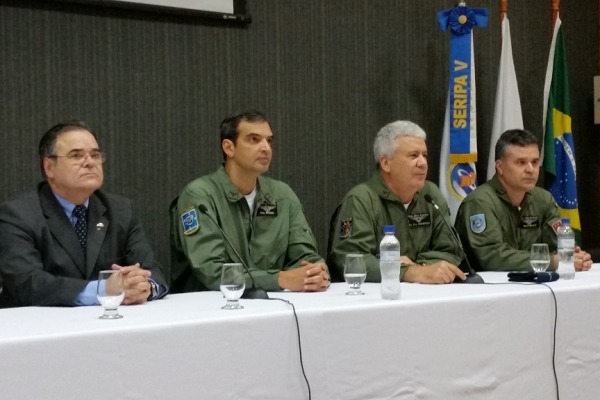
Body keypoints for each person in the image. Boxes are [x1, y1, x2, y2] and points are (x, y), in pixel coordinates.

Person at [0, 121, 168, 308]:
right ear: (49, 167)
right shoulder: (18, 215)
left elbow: (151, 270)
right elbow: (27, 283)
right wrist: (104, 290)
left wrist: (145, 286)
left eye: (95, 155)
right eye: (77, 155)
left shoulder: (121, 210)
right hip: (40, 329)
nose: (90, 162)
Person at [170, 110, 329, 293]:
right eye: (254, 139)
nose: (266, 148)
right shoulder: (200, 196)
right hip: (212, 309)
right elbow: (212, 272)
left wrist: (316, 273)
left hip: (275, 306)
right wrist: (280, 279)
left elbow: (306, 256)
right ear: (229, 147)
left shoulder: (282, 195)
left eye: (269, 141)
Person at [327, 120, 466, 284]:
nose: (423, 163)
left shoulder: (431, 194)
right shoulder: (360, 200)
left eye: (424, 155)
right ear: (386, 163)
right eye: (413, 155)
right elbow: (350, 259)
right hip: (372, 299)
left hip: (425, 293)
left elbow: (451, 249)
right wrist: (407, 272)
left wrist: (419, 267)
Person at [454, 129, 593, 271]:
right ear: (500, 167)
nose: (530, 169)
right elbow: (493, 257)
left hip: (533, 283)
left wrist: (575, 256)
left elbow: (561, 245)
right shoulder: (480, 202)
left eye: (535, 162)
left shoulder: (543, 200)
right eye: (521, 162)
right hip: (486, 287)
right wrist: (553, 262)